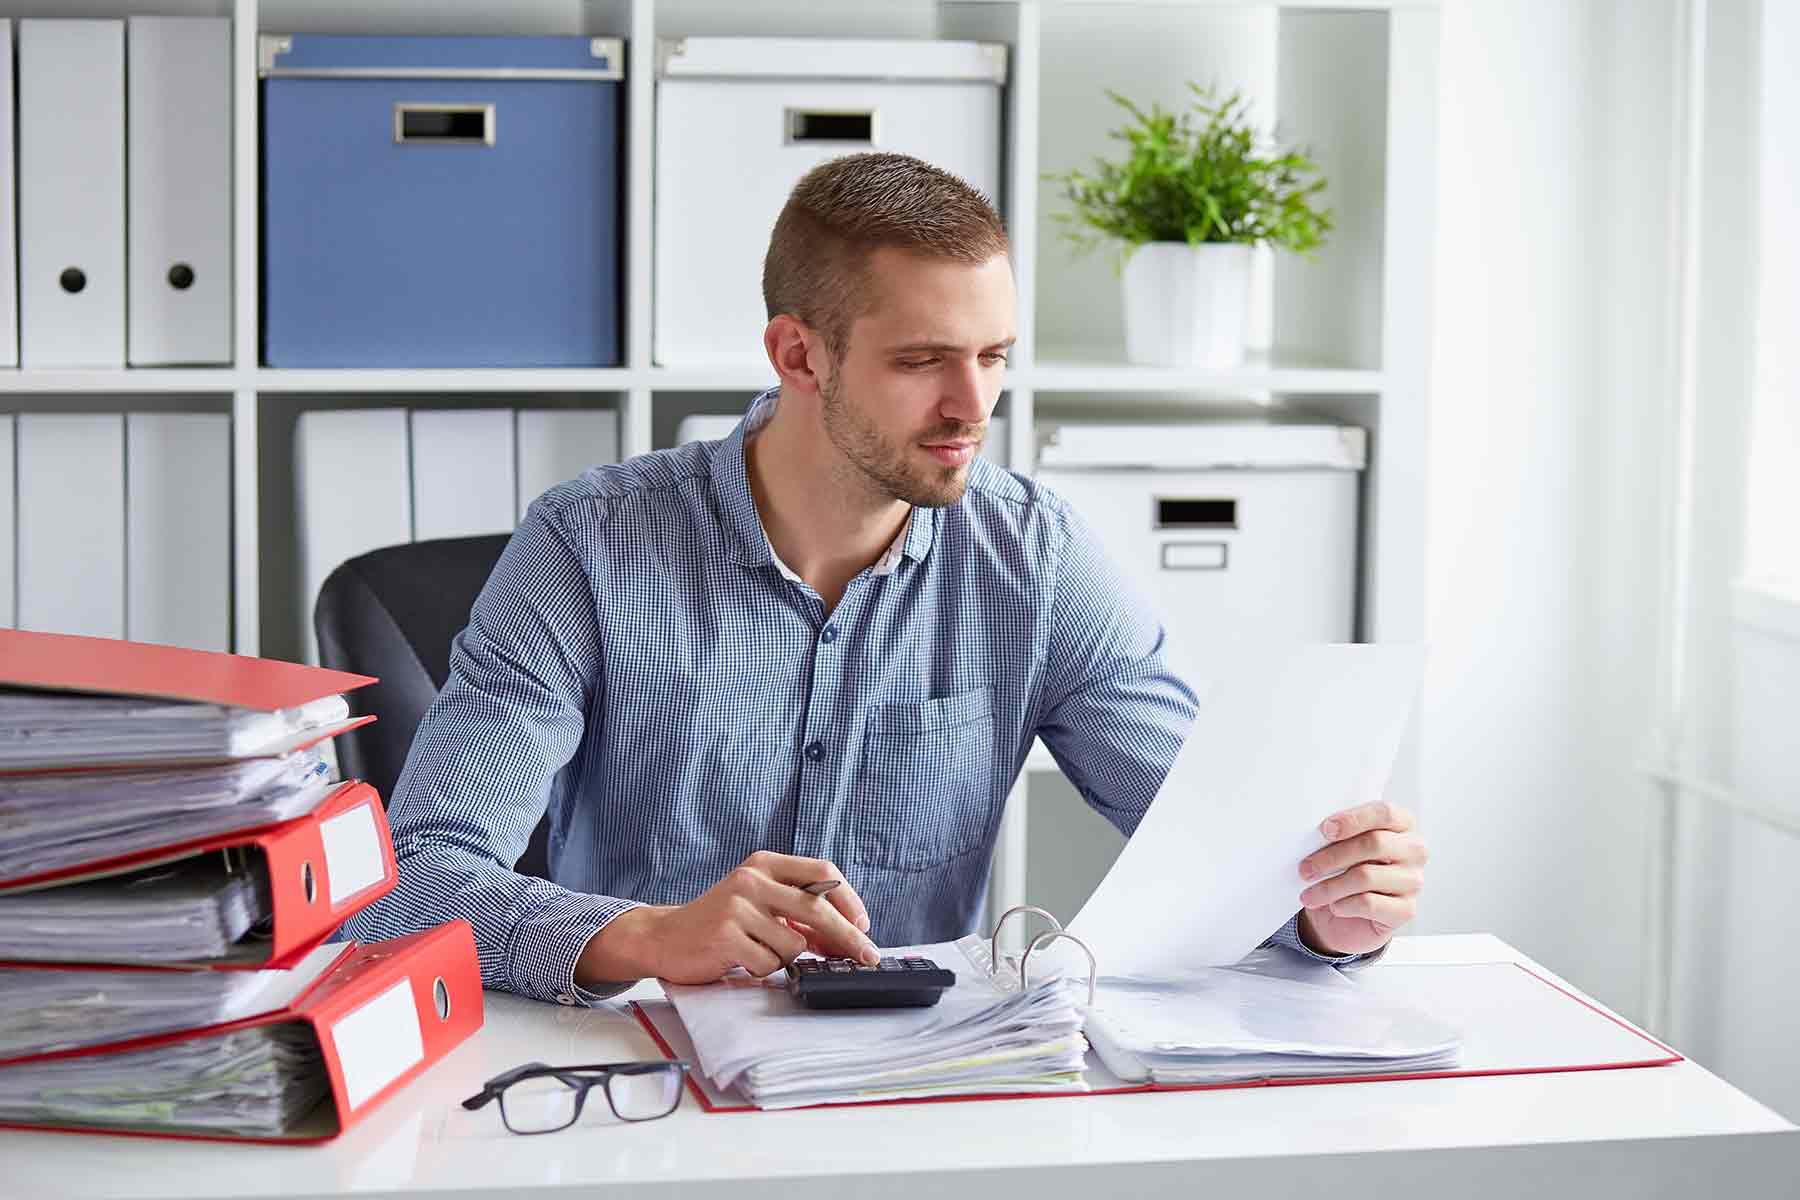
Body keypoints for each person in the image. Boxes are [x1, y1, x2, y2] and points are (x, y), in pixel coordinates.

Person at [341, 152, 1428, 1003]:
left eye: (995, 356)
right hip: (641, 1087)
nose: (973, 405)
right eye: (922, 362)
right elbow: (410, 883)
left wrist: (1329, 912)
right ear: (799, 354)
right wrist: (646, 937)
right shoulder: (585, 545)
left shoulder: (1036, 560)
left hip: (913, 1085)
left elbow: (1221, 840)